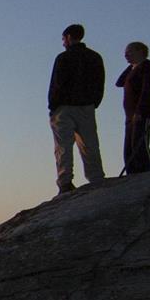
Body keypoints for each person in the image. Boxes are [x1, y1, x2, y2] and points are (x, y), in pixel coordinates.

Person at [47, 23, 107, 193]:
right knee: (90, 144)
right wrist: (94, 102)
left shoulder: (63, 58)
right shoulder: (95, 57)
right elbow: (99, 82)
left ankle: (65, 182)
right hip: (86, 106)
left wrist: (53, 106)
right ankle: (96, 178)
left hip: (64, 107)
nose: (63, 43)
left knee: (63, 146)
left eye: (63, 39)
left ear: (68, 37)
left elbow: (57, 84)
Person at [117, 40, 150, 174]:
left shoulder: (146, 66)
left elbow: (146, 89)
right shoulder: (133, 68)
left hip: (142, 112)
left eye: (129, 52)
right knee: (128, 148)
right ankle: (133, 174)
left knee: (139, 144)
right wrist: (131, 66)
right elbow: (119, 82)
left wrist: (139, 110)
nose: (126, 55)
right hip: (129, 114)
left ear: (140, 52)